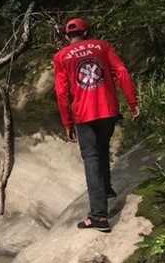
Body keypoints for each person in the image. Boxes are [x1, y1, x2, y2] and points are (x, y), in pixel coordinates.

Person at [53, 17, 140, 232]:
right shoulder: (101, 46)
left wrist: (66, 121)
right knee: (102, 147)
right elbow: (120, 71)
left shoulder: (62, 56)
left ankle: (98, 216)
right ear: (87, 32)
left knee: (91, 157)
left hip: (84, 114)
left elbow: (61, 91)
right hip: (108, 110)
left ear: (66, 36)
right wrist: (132, 101)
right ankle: (107, 188)